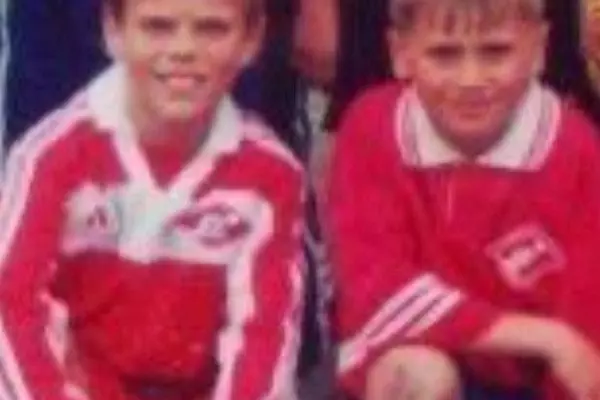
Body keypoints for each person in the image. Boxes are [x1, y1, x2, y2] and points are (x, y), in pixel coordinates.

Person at [0, 0, 305, 398]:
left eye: (212, 28)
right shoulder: (48, 157)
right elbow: (12, 307)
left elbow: (263, 335)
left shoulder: (272, 175)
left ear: (252, 38)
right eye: (157, 26)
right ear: (113, 30)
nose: (183, 50)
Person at [327, 0, 600, 399]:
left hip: (531, 378)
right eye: (444, 54)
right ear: (401, 53)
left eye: (496, 51)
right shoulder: (372, 127)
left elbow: (582, 331)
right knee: (420, 375)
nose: (471, 79)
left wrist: (562, 350)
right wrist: (546, 337)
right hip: (416, 350)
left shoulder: (577, 149)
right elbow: (377, 292)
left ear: (540, 49)